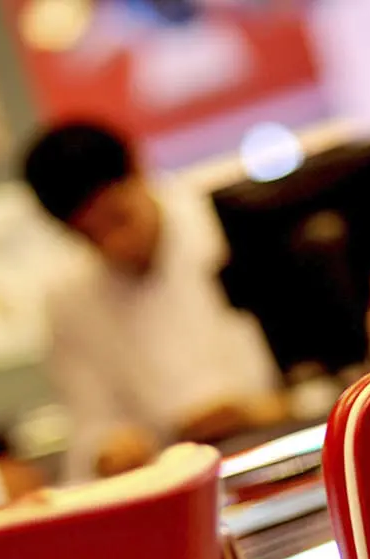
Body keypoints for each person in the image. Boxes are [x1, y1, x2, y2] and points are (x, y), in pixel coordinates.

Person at [22, 121, 284, 479]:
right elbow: (89, 427)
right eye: (89, 236)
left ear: (140, 172)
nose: (114, 245)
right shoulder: (69, 300)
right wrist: (109, 450)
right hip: (175, 482)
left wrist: (254, 411)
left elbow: (317, 375)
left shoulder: (232, 228)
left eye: (119, 219)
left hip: (279, 449)